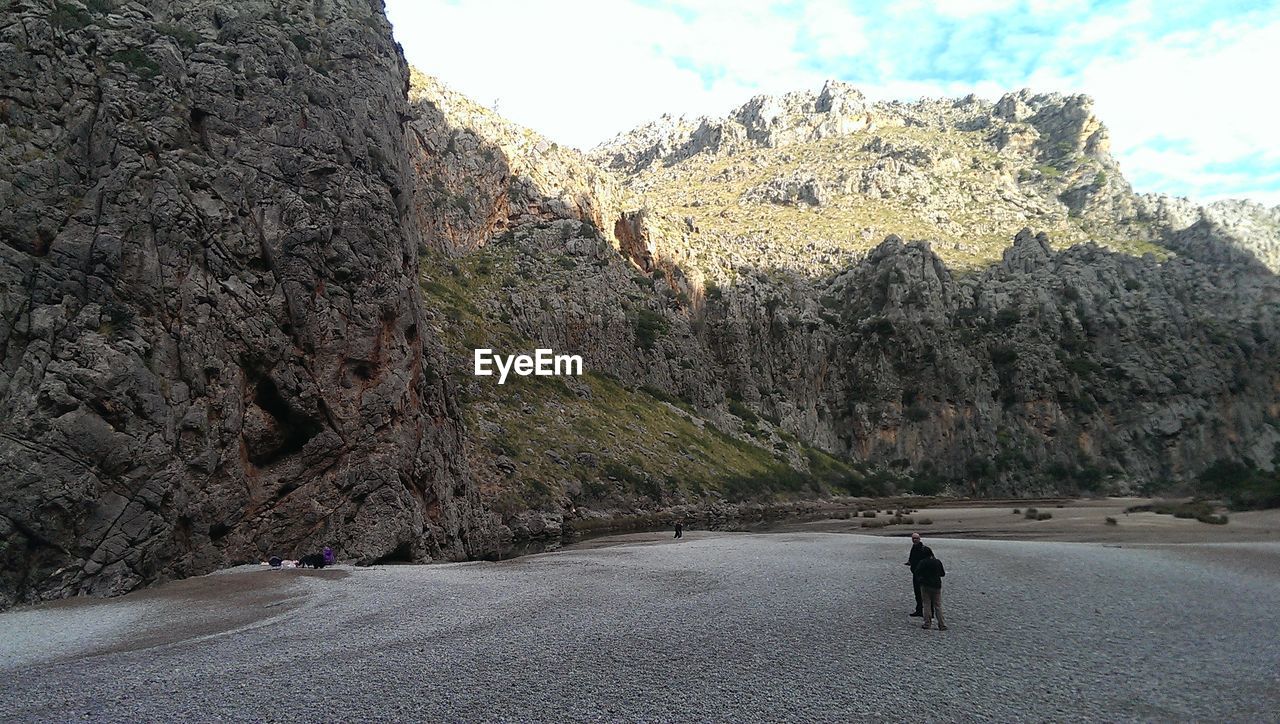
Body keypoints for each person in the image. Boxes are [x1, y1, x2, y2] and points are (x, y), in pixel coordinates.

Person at [914, 546, 947, 631]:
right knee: (938, 605)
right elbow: (942, 574)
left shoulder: (922, 562)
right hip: (936, 586)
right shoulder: (937, 562)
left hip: (925, 586)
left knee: (926, 604)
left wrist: (921, 580)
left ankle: (927, 623)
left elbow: (917, 573)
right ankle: (942, 624)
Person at [905, 532, 926, 616]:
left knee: (924, 593)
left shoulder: (923, 549)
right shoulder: (914, 547)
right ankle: (919, 610)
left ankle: (928, 611)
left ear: (919, 538)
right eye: (913, 538)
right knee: (917, 593)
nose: (914, 540)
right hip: (915, 573)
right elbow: (912, 557)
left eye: (916, 538)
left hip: (922, 574)